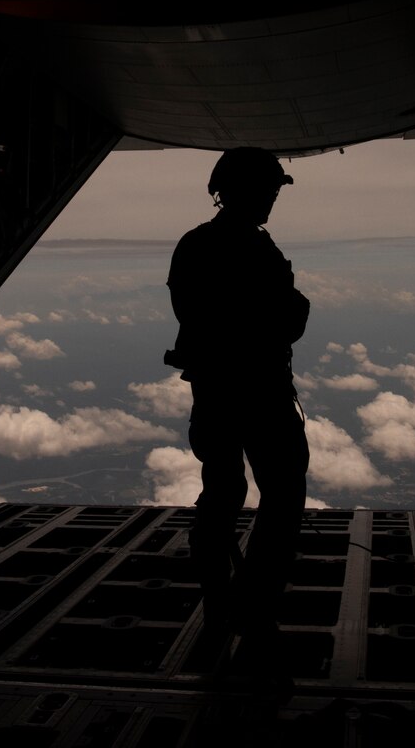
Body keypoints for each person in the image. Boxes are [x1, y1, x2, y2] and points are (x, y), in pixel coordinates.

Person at [165, 146, 310, 671]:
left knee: (221, 492)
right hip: (262, 395)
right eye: (268, 188)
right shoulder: (254, 249)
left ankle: (218, 601)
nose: (273, 196)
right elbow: (288, 319)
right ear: (244, 190)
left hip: (214, 393)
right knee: (283, 492)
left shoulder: (195, 245)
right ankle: (254, 608)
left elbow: (190, 312)